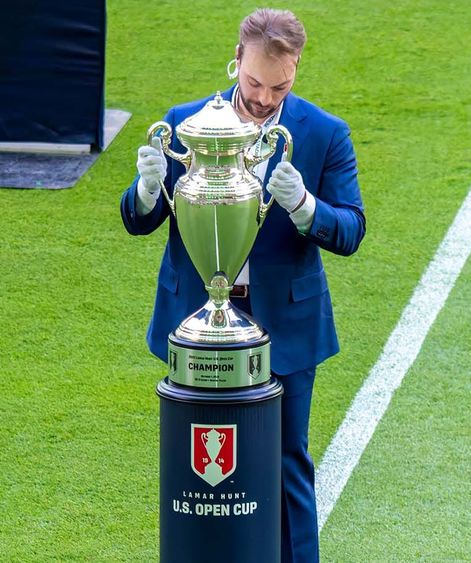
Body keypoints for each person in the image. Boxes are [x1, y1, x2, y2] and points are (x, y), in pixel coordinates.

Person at [119, 8, 365, 562]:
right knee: (196, 470)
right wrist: (147, 188)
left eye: (279, 85)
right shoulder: (186, 122)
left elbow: (351, 229)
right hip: (197, 328)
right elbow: (139, 220)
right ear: (236, 61)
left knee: (285, 463)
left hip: (285, 328)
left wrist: (304, 206)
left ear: (296, 69)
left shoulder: (324, 134)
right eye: (254, 82)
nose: (263, 97)